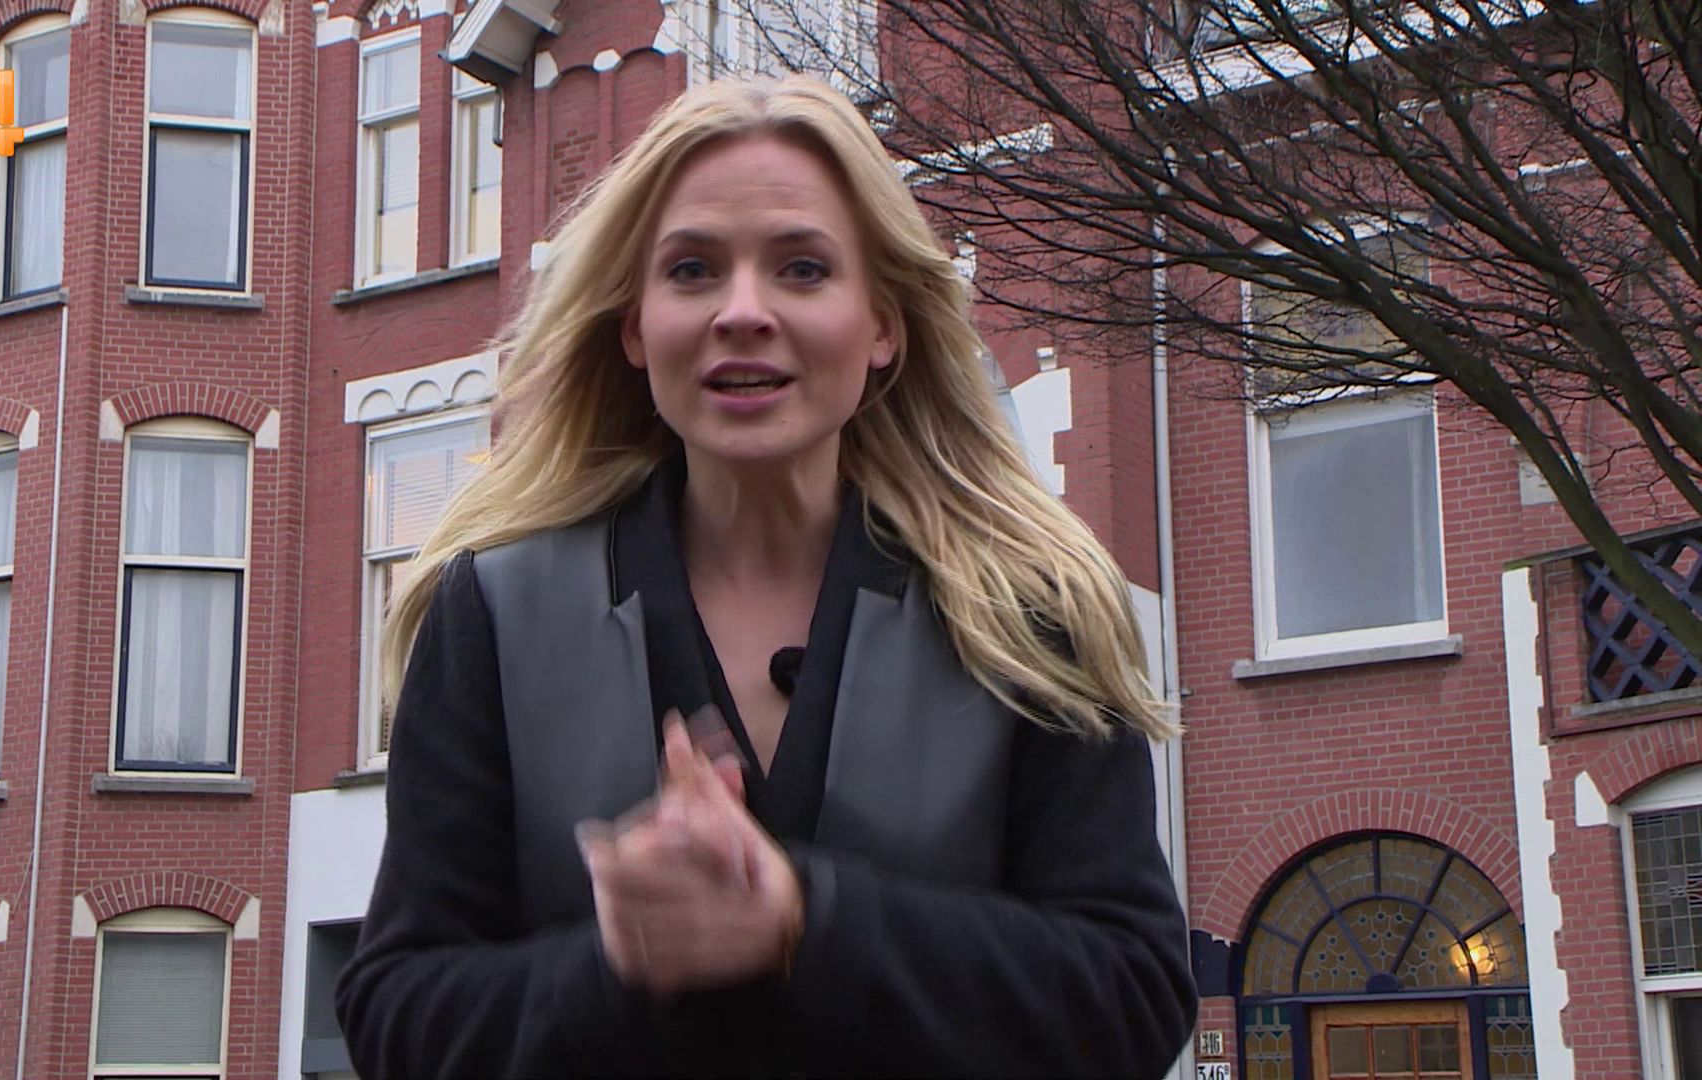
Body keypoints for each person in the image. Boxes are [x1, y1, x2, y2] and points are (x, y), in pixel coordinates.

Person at [334, 75, 1198, 1078]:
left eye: (802, 268)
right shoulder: (491, 610)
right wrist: (623, 962)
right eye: (693, 270)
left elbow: (1132, 997)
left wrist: (806, 920)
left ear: (883, 323)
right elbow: (397, 1016)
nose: (743, 311)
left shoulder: (1031, 611)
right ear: (633, 324)